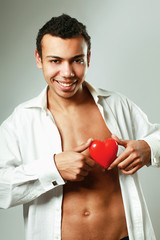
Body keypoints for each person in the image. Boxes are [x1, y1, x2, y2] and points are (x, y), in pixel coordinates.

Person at [0, 14, 160, 240]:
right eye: (55, 60)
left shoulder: (117, 105)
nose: (67, 73)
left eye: (77, 60)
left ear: (88, 58)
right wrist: (53, 168)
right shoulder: (22, 121)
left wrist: (149, 148)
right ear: (39, 59)